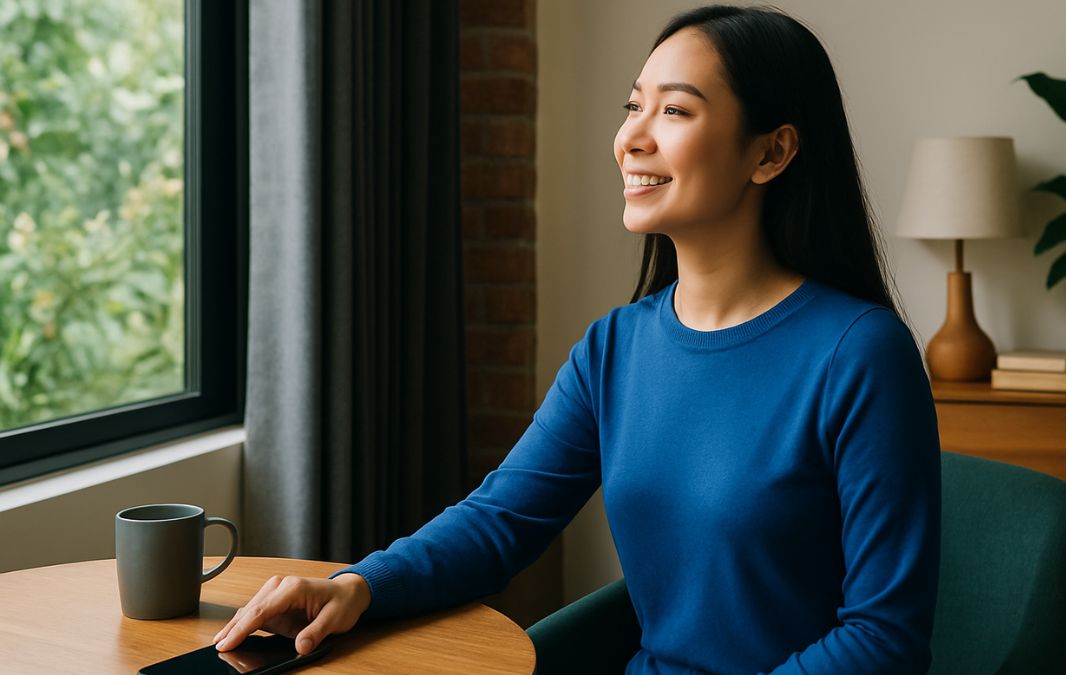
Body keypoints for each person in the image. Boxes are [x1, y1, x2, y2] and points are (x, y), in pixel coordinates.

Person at [213, 5, 941, 673]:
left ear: (771, 153)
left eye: (676, 110)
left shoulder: (860, 354)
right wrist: (357, 584)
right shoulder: (615, 348)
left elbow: (883, 635)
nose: (632, 137)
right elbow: (500, 520)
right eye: (634, 107)